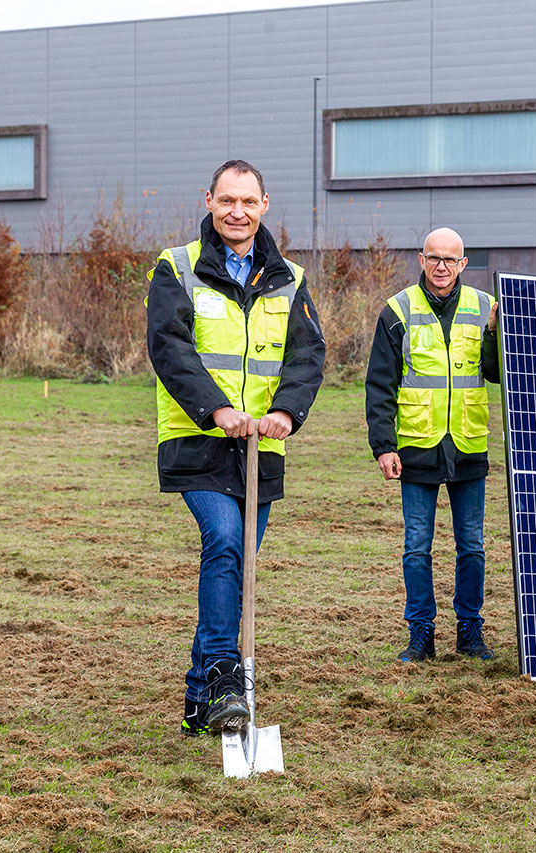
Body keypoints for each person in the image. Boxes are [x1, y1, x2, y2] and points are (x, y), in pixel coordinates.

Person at [146, 159, 325, 735]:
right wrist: (216, 410)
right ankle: (226, 676)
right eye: (227, 200)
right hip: (197, 441)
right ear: (209, 200)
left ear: (264, 205)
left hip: (258, 451)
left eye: (248, 201)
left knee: (236, 563)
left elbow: (307, 356)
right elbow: (170, 347)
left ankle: (201, 700)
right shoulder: (175, 268)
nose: (237, 211)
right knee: (224, 541)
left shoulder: (290, 280)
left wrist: (284, 413)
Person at [365, 227, 499, 663]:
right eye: (433, 258)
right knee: (416, 547)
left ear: (463, 264)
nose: (441, 267)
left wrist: (496, 334)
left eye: (451, 260)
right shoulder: (397, 311)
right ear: (421, 260)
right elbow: (379, 385)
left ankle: (470, 632)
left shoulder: (486, 309)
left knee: (473, 546)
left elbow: (497, 373)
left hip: (467, 444)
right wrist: (384, 445)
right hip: (416, 448)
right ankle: (421, 633)